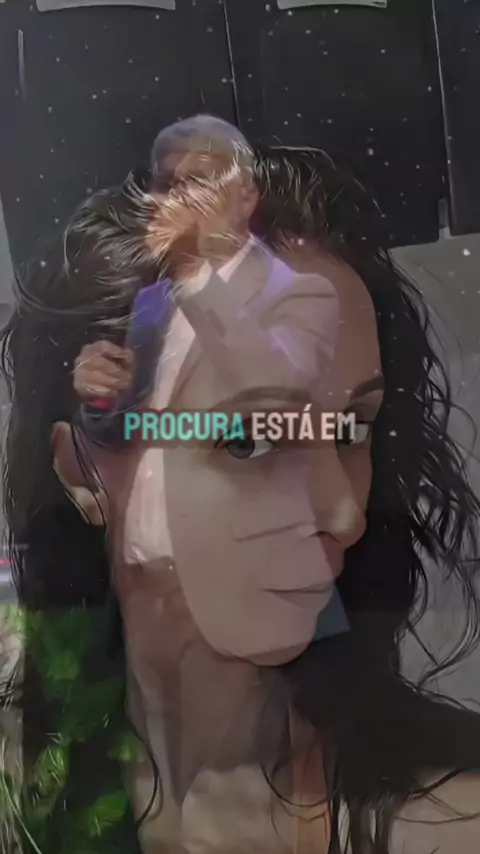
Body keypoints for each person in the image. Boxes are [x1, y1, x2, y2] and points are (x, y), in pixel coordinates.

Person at [4, 128, 480, 854]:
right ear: (83, 472)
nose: (344, 514)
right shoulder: (21, 801)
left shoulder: (452, 820)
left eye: (352, 428)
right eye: (250, 440)